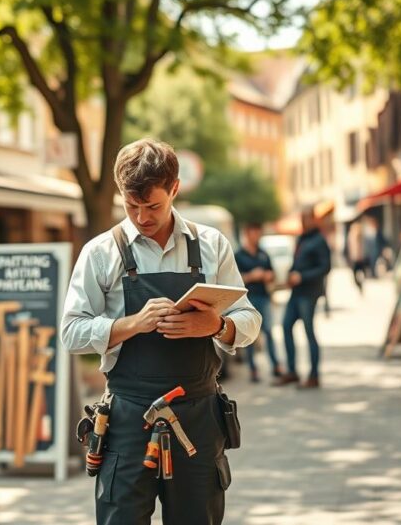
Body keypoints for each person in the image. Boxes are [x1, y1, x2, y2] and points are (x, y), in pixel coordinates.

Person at [61, 139, 261, 525]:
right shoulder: (101, 252)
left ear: (174, 188)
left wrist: (218, 325)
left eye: (151, 206)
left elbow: (249, 319)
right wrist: (131, 324)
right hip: (126, 420)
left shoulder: (211, 246)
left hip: (198, 419)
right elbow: (71, 332)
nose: (141, 217)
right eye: (130, 206)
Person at [273, 208, 331, 389]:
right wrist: (291, 275)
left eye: (307, 218)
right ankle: (292, 371)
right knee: (286, 326)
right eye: (302, 218)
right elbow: (296, 263)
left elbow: (325, 267)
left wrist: (302, 276)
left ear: (314, 219)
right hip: (296, 292)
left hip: (309, 293)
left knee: (308, 332)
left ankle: (314, 376)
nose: (304, 221)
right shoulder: (301, 239)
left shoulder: (319, 240)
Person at [235, 222, 283, 383]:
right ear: (247, 233)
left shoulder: (264, 254)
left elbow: (273, 274)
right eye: (254, 232)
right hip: (247, 299)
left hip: (263, 297)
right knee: (249, 336)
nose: (257, 236)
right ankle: (253, 369)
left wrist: (268, 276)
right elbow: (233, 279)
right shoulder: (239, 255)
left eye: (258, 233)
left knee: (269, 332)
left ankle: (276, 365)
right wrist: (251, 276)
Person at [347, 221, 366, 293]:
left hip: (360, 258)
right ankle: (359, 285)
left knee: (361, 273)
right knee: (355, 275)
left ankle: (360, 284)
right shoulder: (351, 236)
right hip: (354, 258)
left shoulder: (361, 236)